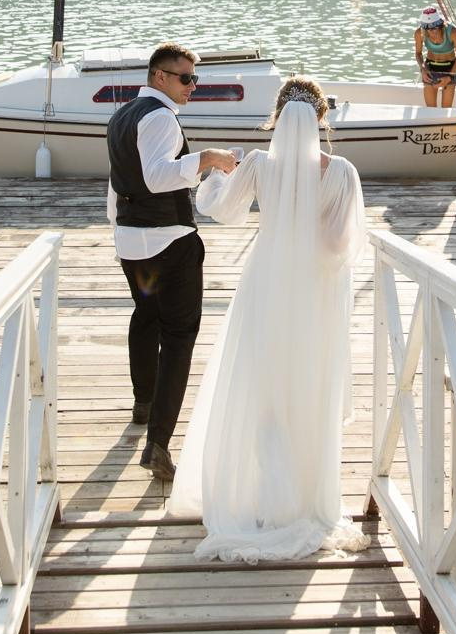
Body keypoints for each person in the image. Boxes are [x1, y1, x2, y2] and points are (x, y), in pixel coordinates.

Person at [168, 74, 370, 562]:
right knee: (306, 385)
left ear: (277, 119)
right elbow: (342, 246)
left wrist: (216, 175)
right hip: (315, 293)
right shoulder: (342, 172)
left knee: (260, 386)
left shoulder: (259, 164)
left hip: (265, 283)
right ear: (322, 119)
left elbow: (221, 209)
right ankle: (301, 498)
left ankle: (259, 494)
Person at [107, 42, 237, 483]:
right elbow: (157, 177)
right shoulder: (161, 117)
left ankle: (143, 403)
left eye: (195, 79)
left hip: (133, 242)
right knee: (179, 337)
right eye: (186, 79)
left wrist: (120, 231)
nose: (192, 87)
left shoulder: (122, 115)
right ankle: (158, 445)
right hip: (170, 245)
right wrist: (209, 158)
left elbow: (117, 184)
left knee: (145, 316)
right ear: (159, 76)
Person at [414, 2, 456, 107]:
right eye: (427, 29)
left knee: (446, 109)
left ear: (440, 23)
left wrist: (450, 77)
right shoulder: (420, 33)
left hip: (450, 68)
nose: (432, 32)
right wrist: (423, 68)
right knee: (431, 110)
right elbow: (418, 53)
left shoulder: (453, 32)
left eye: (435, 27)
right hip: (430, 67)